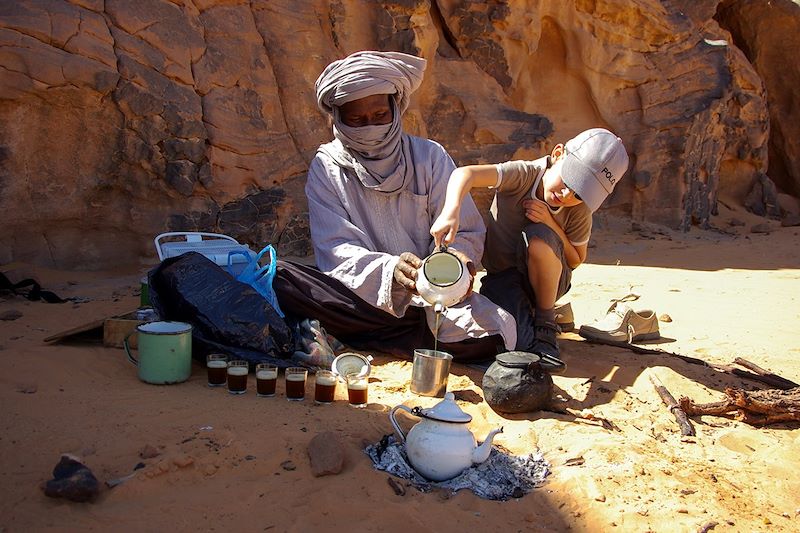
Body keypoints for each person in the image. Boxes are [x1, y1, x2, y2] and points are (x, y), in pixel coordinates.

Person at [272, 50, 516, 362]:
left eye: (379, 116)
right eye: (357, 120)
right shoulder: (327, 166)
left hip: (433, 300)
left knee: (492, 334)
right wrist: (389, 273)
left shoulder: (429, 156)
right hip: (361, 298)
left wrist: (458, 260)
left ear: (395, 108)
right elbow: (336, 249)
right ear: (337, 117)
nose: (370, 128)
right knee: (282, 278)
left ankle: (365, 336)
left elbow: (464, 229)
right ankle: (389, 334)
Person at [430, 128, 629, 359]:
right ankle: (533, 317)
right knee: (518, 344)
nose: (567, 194)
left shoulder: (579, 209)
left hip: (551, 282)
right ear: (557, 154)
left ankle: (545, 323)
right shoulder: (525, 174)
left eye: (579, 193)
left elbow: (576, 259)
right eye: (569, 180)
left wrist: (551, 224)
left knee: (539, 235)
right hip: (503, 278)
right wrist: (451, 210)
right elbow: (466, 174)